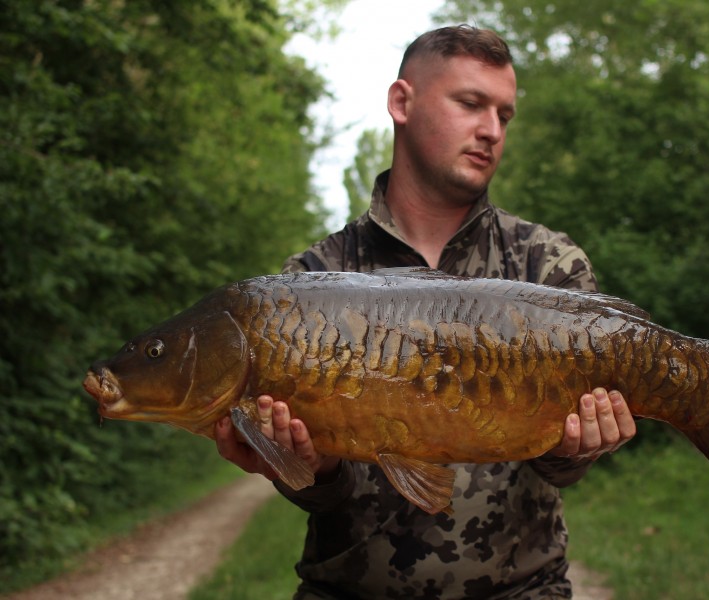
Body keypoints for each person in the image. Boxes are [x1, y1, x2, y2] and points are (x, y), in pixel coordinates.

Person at [215, 25, 636, 600]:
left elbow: (561, 469)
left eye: (504, 115)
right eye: (470, 104)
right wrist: (310, 467)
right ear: (401, 102)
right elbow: (318, 493)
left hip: (521, 591)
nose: (490, 130)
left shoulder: (546, 264)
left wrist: (579, 448)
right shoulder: (307, 282)